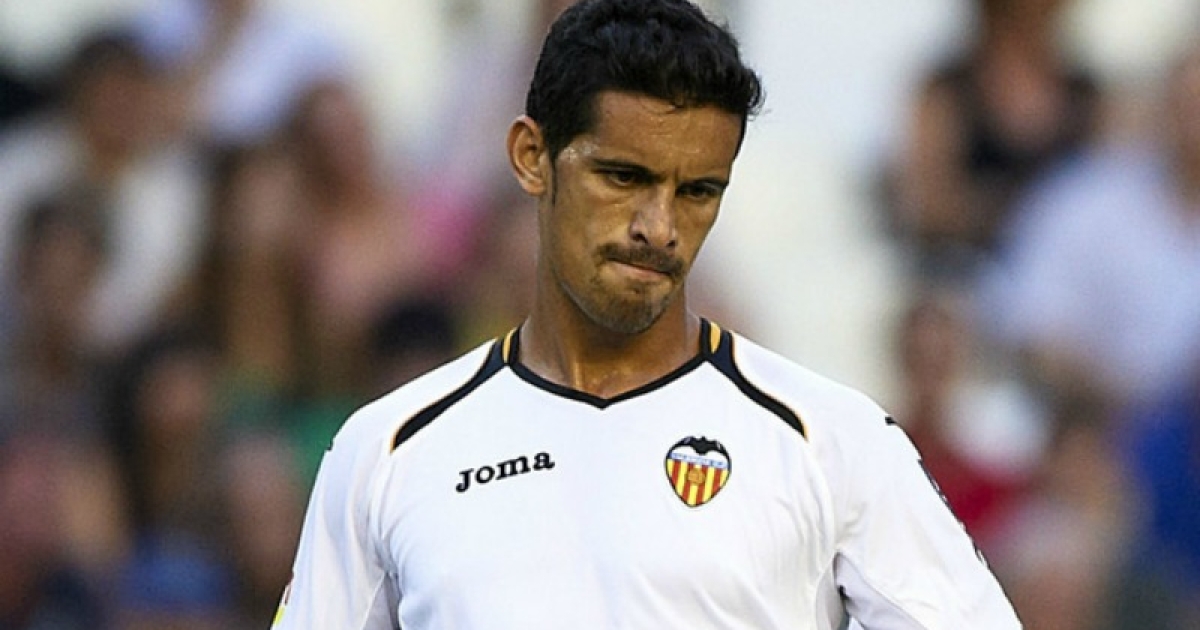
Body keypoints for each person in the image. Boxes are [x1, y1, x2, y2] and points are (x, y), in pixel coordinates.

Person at [272, 1, 1022, 628]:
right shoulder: (387, 453)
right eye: (624, 177)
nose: (659, 227)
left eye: (697, 191)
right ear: (531, 156)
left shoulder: (829, 441)